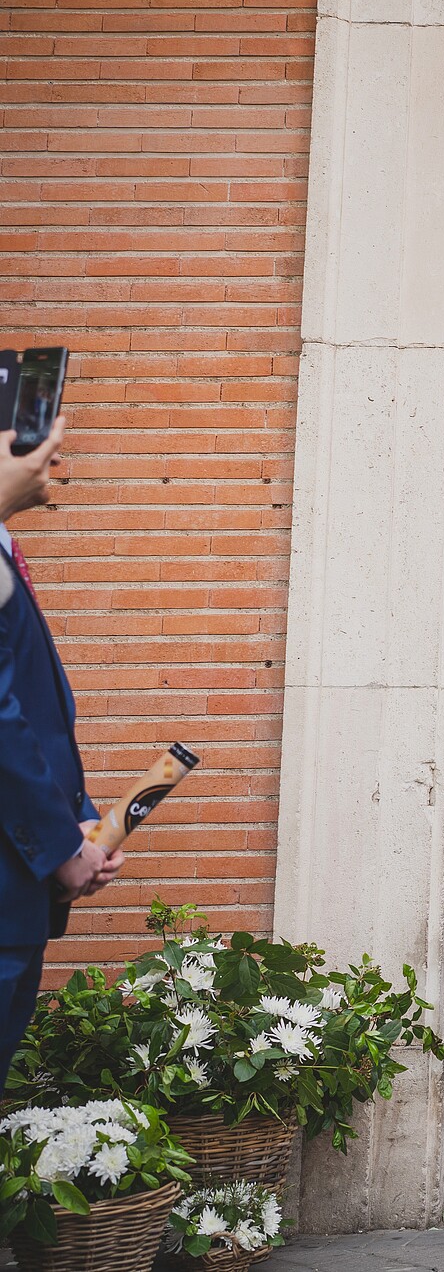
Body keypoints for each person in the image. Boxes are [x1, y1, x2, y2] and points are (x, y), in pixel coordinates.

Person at [2, 417, 123, 1096]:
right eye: (19, 429)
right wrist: (58, 845)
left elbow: (30, 713)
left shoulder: (7, 553)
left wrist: (78, 825)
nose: (49, 444)